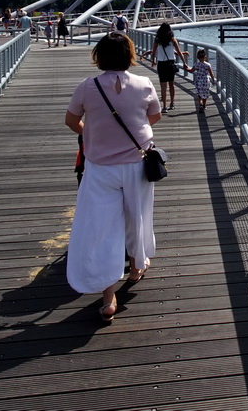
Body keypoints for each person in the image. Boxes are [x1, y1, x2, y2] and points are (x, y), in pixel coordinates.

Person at [64, 32, 162, 323]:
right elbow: (153, 116)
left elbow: (71, 120)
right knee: (137, 216)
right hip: (136, 164)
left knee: (103, 229)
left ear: (99, 56)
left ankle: (108, 299)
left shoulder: (88, 86)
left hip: (99, 169)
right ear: (130, 55)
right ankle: (135, 267)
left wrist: (92, 131)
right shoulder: (144, 84)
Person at [152, 22, 188, 110]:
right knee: (171, 84)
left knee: (163, 86)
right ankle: (172, 103)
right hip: (170, 63)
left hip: (161, 63)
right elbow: (179, 52)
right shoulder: (172, 39)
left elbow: (153, 52)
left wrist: (153, 61)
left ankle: (164, 106)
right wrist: (184, 62)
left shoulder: (157, 39)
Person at [190, 47, 215, 114]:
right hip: (206, 80)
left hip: (198, 80)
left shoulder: (196, 64)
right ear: (205, 57)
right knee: (205, 93)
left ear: (197, 57)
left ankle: (200, 104)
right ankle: (204, 105)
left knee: (199, 93)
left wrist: (186, 68)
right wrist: (213, 80)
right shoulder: (208, 65)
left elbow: (191, 70)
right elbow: (211, 73)